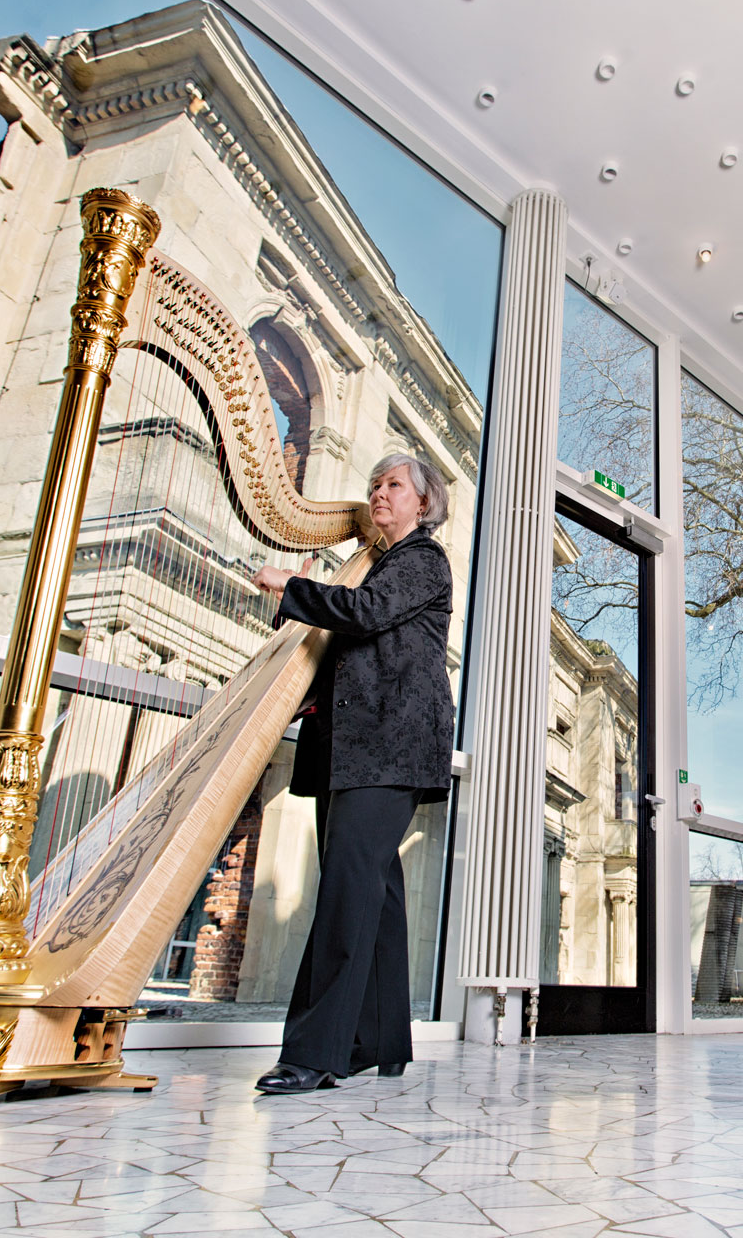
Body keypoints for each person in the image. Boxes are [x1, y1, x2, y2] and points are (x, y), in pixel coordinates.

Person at [248, 453, 455, 1094]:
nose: (379, 493)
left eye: (393, 485)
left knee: (346, 889)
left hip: (387, 746)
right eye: (374, 485)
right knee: (376, 890)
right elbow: (352, 639)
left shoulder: (424, 560)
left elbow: (364, 613)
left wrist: (293, 588)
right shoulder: (381, 565)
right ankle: (380, 1041)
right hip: (354, 748)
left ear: (423, 502)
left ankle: (316, 1054)